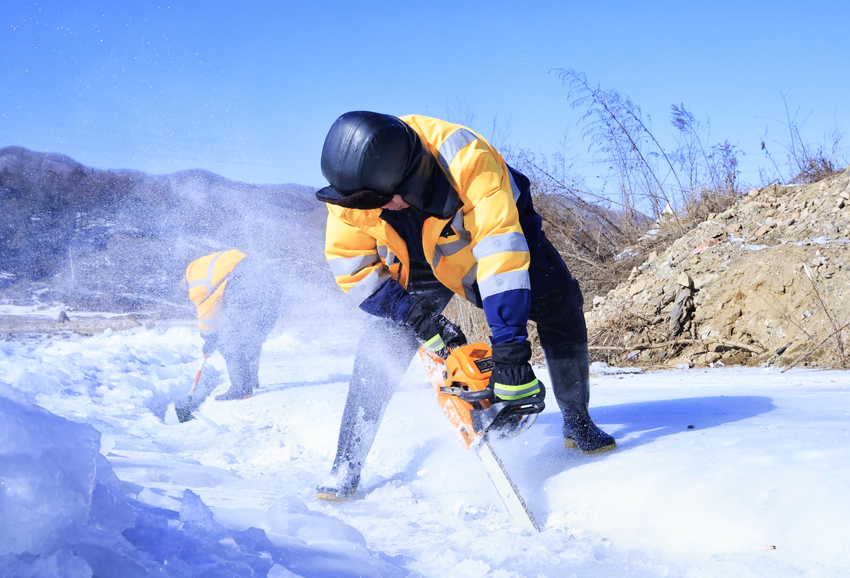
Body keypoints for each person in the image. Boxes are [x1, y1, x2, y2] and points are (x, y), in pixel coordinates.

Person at [313, 111, 616, 501]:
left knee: (561, 304)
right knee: (383, 342)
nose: (380, 208)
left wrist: (510, 353)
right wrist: (412, 315)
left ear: (404, 175)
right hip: (415, 259)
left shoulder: (466, 158)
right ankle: (345, 465)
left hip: (494, 231)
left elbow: (500, 252)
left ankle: (577, 421)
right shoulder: (350, 193)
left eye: (384, 199)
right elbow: (354, 270)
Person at [183, 249, 283, 401]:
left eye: (181, 286)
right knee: (253, 333)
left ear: (182, 277)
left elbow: (207, 311)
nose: (184, 289)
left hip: (244, 283)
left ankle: (241, 388)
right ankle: (251, 381)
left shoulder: (196, 278)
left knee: (230, 339)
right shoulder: (205, 265)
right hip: (270, 281)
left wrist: (208, 337)